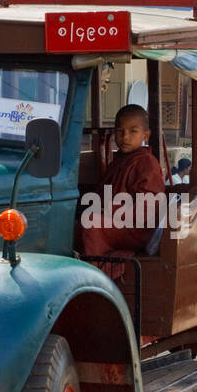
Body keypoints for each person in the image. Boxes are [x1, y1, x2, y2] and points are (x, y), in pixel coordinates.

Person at [78, 104, 165, 274]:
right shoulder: (120, 160)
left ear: (145, 135)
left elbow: (148, 206)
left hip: (136, 229)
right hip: (117, 222)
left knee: (92, 226)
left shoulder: (146, 162)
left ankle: (95, 281)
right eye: (120, 131)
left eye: (133, 131)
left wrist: (110, 210)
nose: (125, 137)